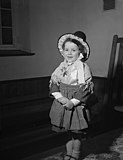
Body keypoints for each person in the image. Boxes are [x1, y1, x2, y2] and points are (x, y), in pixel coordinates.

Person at [49, 31, 94, 160]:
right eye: (67, 49)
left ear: (80, 52)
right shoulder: (61, 67)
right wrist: (60, 98)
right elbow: (54, 83)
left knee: (76, 133)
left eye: (73, 50)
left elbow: (85, 89)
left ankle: (75, 155)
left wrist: (73, 102)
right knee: (67, 132)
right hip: (62, 101)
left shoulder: (83, 68)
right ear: (62, 51)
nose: (69, 53)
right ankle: (68, 153)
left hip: (76, 103)